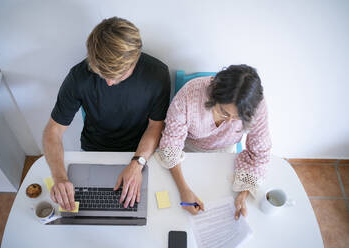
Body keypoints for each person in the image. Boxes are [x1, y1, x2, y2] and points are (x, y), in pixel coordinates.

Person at [43, 17, 171, 211]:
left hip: (140, 151)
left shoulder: (158, 74)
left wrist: (137, 164)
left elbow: (156, 126)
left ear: (134, 60)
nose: (109, 83)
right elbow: (53, 131)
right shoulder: (78, 76)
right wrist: (59, 178)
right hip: (95, 151)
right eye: (102, 75)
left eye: (117, 76)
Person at [155, 64, 271, 220]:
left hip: (225, 152)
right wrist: (184, 190)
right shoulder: (190, 94)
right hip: (188, 148)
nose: (230, 121)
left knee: (220, 194)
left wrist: (243, 195)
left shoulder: (257, 106)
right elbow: (171, 144)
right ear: (214, 94)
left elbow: (259, 153)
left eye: (237, 118)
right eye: (224, 112)